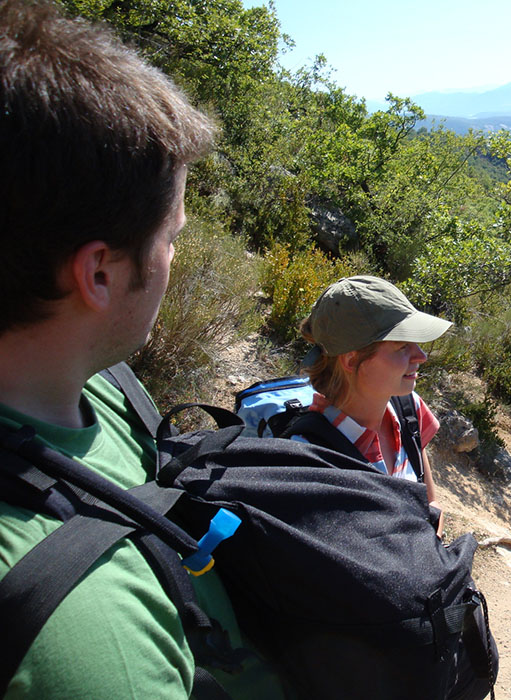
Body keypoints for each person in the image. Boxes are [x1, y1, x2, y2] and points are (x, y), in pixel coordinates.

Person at [0, 2, 285, 697]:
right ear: (99, 273)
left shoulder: (97, 384)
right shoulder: (86, 637)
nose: (174, 258)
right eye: (173, 235)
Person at [298, 275, 451, 533]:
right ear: (350, 359)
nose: (421, 356)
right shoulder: (311, 459)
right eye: (402, 346)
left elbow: (431, 504)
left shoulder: (408, 409)